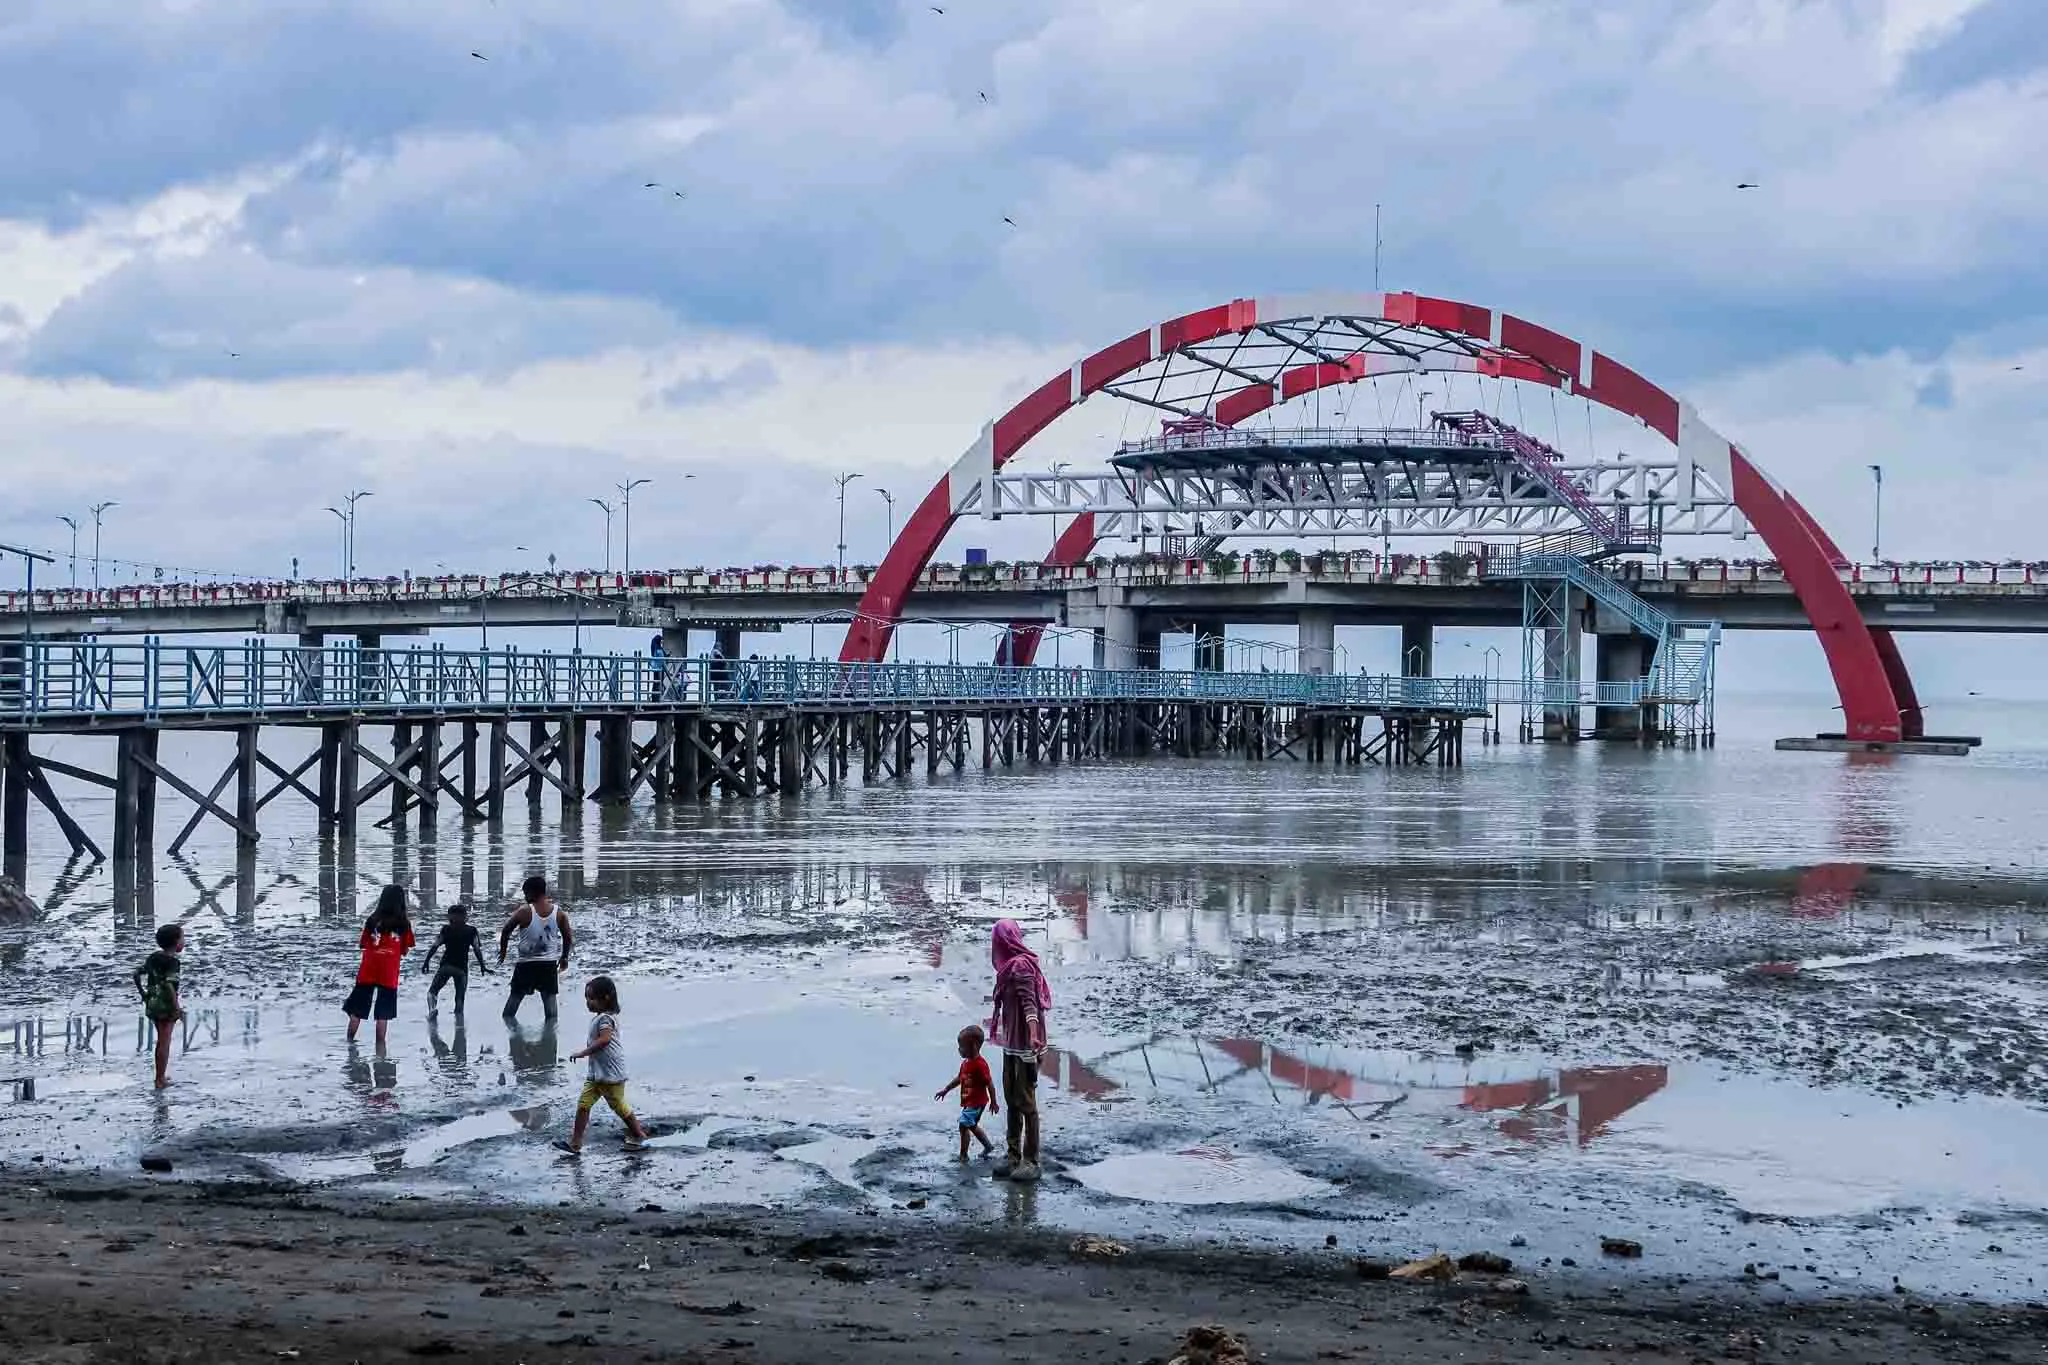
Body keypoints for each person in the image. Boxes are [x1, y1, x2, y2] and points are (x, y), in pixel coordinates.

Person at [987, 919, 1051, 1181]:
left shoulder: (1021, 967)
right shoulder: (1007, 968)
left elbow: (1030, 1004)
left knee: (1026, 1102)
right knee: (1011, 1099)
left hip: (1026, 1045)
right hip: (1011, 1044)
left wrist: (1034, 1035)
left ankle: (1031, 1160)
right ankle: (1013, 1155)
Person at [556, 975, 648, 1155]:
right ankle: (575, 1143)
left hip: (610, 1074)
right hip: (597, 1074)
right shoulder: (599, 1018)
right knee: (583, 1104)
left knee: (619, 1106)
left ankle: (639, 1134)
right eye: (586, 999)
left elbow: (605, 1040)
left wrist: (584, 1052)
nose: (588, 1003)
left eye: (591, 998)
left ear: (605, 998)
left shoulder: (606, 1019)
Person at [345, 886, 415, 1048]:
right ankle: (380, 1049)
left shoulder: (372, 920)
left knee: (357, 1011)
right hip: (389, 972)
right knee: (383, 1014)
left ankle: (349, 1043)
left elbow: (363, 944)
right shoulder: (403, 924)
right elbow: (405, 949)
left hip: (368, 969)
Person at [498, 875, 572, 1022]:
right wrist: (564, 957)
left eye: (526, 894)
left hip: (526, 964)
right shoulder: (559, 913)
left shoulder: (524, 911)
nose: (525, 897)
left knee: (511, 1008)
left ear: (531, 893)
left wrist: (503, 952)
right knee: (551, 1011)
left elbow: (506, 931)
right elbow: (567, 937)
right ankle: (550, 1041)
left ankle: (512, 1035)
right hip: (548, 964)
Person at [133, 923, 185, 1089]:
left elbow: (136, 974)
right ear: (176, 943)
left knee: (161, 1039)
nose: (184, 941)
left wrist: (143, 994)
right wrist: (176, 1008)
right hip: (165, 1006)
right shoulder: (173, 963)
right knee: (164, 1041)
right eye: (182, 938)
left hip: (152, 1003)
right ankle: (159, 1079)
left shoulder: (154, 957)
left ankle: (160, 1077)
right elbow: (170, 986)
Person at [934, 1024, 997, 1160]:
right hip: (970, 1102)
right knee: (969, 1126)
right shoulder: (966, 1063)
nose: (959, 1050)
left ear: (973, 1046)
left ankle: (964, 1155)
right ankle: (987, 1146)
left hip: (977, 1102)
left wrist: (994, 1102)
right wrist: (946, 1090)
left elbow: (989, 1083)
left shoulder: (980, 1064)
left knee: (964, 1124)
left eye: (962, 1046)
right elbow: (960, 1078)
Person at [421, 902, 488, 1014]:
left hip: (446, 966)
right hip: (461, 969)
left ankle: (432, 1010)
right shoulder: (472, 931)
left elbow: (435, 946)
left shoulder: (446, 929)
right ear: (465, 917)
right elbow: (477, 949)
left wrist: (426, 962)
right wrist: (483, 966)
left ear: (449, 917)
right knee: (459, 998)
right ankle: (459, 1024)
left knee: (432, 992)